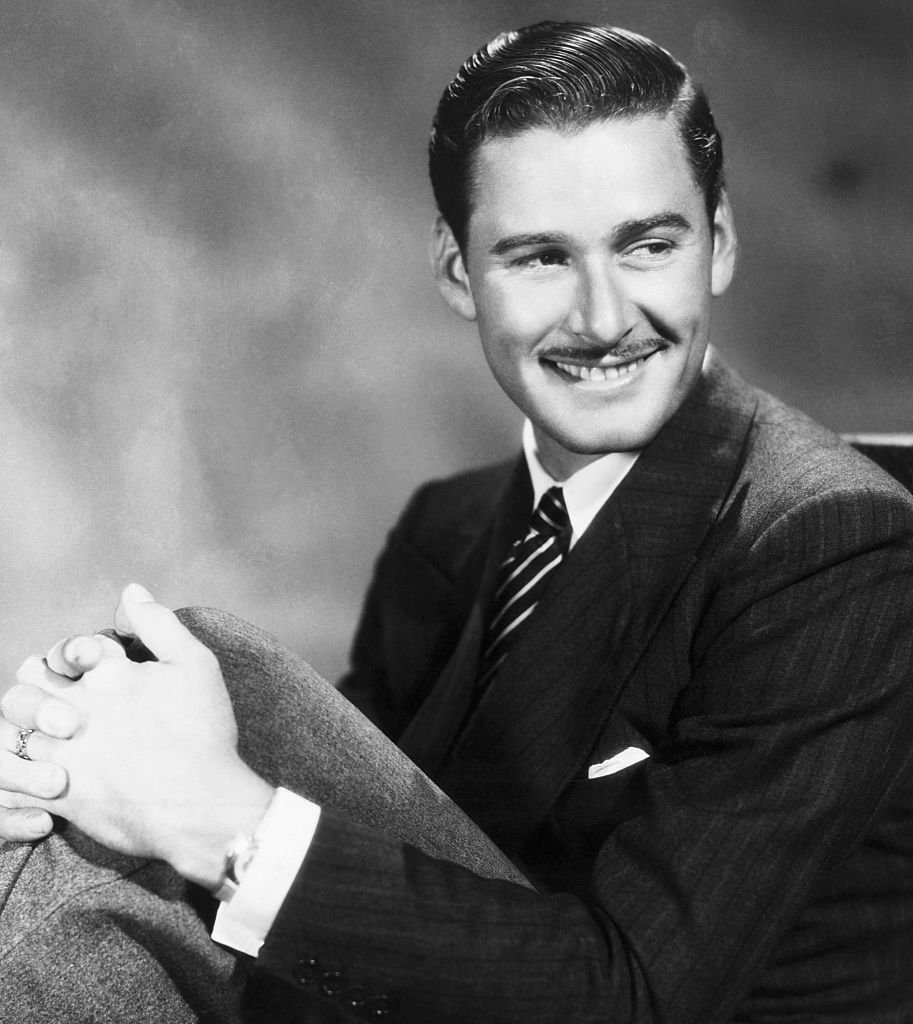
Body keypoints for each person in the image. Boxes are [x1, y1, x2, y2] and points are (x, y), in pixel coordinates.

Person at [2, 20, 913, 1024]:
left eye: (648, 246)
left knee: (217, 676)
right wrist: (69, 762)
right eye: (538, 259)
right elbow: (349, 903)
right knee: (113, 756)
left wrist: (214, 814)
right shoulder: (448, 531)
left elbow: (639, 997)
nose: (604, 316)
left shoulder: (833, 542)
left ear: (720, 246)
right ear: (454, 272)